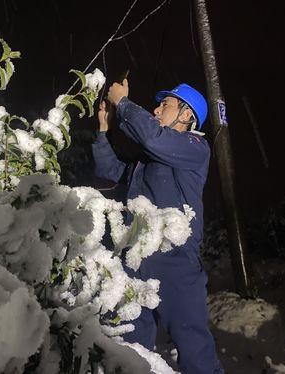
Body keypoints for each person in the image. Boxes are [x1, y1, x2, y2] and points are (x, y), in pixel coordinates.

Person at [92, 79, 223, 373]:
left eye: (166, 104)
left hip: (174, 259)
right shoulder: (147, 161)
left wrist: (124, 104)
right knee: (131, 347)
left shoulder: (195, 147)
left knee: (194, 348)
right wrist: (104, 129)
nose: (156, 108)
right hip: (135, 256)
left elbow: (153, 138)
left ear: (186, 115)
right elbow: (109, 176)